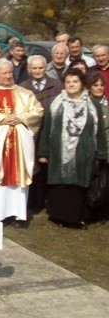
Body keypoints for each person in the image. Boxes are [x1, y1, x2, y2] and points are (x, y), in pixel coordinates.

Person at [0, 59, 44, 227]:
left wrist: (21, 117)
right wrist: (0, 119)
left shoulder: (25, 94)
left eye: (10, 72)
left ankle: (17, 214)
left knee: (17, 179)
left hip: (19, 146)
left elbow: (37, 112)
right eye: (4, 73)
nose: (8, 76)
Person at [38, 69, 108, 229]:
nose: (71, 85)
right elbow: (46, 128)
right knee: (60, 186)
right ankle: (59, 216)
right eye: (68, 82)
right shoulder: (56, 103)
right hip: (59, 152)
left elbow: (100, 133)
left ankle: (77, 217)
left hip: (84, 153)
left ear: (82, 84)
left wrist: (102, 153)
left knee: (78, 186)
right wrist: (43, 152)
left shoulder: (93, 105)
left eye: (75, 81)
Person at [86, 72, 109, 156]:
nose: (99, 88)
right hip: (89, 151)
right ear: (89, 88)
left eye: (101, 85)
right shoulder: (84, 105)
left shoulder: (107, 105)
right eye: (96, 85)